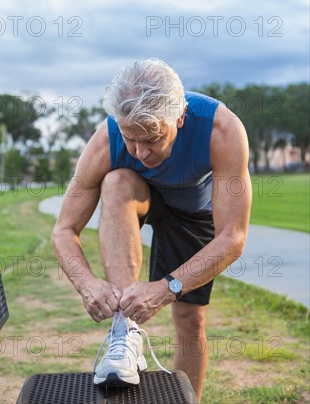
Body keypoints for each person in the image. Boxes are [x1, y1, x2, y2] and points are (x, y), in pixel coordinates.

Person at [52, 59, 252, 402]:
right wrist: (86, 283)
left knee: (190, 319)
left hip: (193, 213)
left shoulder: (222, 129)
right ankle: (124, 331)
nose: (141, 153)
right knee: (115, 182)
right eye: (131, 139)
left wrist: (167, 287)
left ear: (180, 118)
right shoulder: (107, 139)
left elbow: (232, 237)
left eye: (153, 139)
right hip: (137, 197)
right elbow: (64, 229)